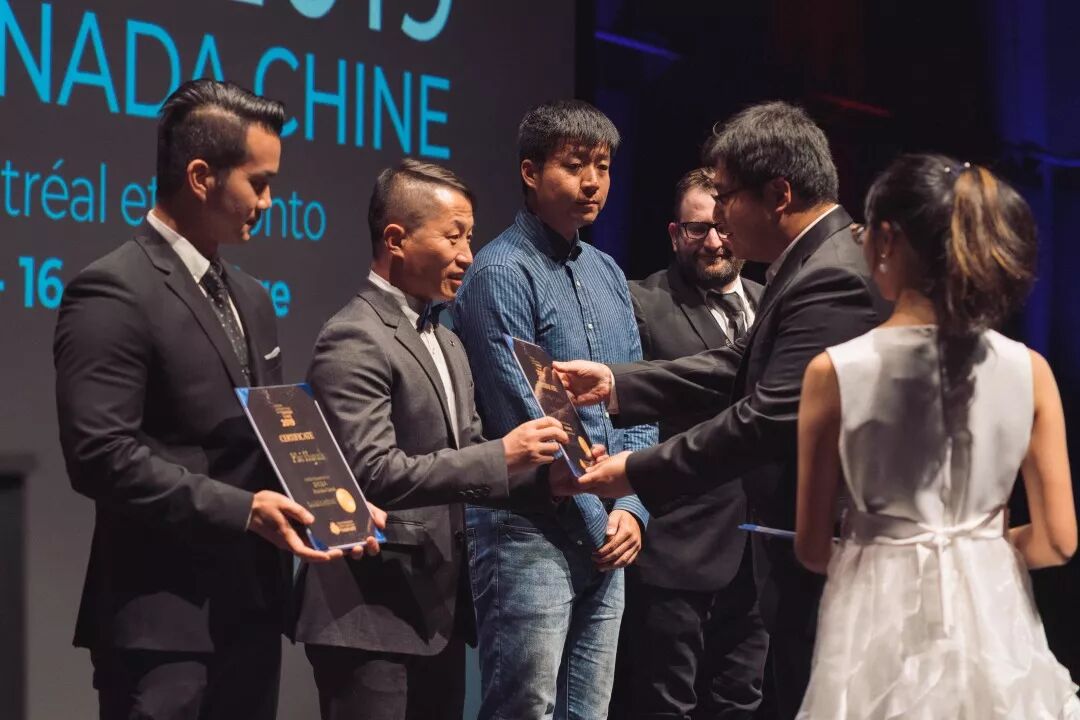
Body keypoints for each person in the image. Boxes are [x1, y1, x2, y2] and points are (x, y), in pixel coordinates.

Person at [53, 79, 382, 720]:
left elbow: (266, 436)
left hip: (249, 611)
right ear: (201, 176)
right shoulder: (113, 290)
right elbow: (99, 457)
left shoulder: (252, 297)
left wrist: (334, 500)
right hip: (160, 623)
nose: (269, 201)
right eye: (258, 183)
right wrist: (243, 510)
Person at [552, 100, 889, 719]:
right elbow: (739, 364)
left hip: (828, 548)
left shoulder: (831, 275)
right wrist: (616, 383)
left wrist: (634, 470)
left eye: (728, 197)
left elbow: (766, 417)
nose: (721, 219)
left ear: (778, 195)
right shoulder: (815, 261)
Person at [794, 154, 1079, 718]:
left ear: (886, 239)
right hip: (997, 629)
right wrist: (978, 550)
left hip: (875, 627)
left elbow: (812, 547)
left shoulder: (834, 372)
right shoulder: (1031, 371)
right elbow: (1058, 541)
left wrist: (889, 552)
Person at [295, 160, 577, 720]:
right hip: (369, 613)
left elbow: (465, 455)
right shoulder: (354, 335)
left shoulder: (446, 339)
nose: (468, 255)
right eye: (454, 237)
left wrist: (547, 477)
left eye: (470, 237)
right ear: (395, 239)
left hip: (436, 611)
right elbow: (370, 472)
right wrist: (502, 454)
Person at [451, 99, 657, 720]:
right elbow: (531, 414)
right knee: (525, 710)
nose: (592, 182)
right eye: (574, 165)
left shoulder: (608, 271)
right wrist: (604, 522)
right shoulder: (500, 270)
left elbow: (634, 398)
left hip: (606, 528)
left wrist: (633, 507)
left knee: (588, 713)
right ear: (531, 171)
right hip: (529, 529)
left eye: (603, 167)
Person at [614, 167, 767, 718]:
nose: (714, 241)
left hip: (760, 546)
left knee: (741, 702)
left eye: (723, 227)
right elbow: (627, 416)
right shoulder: (640, 302)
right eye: (698, 229)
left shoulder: (774, 302)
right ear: (675, 233)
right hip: (676, 544)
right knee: (664, 705)